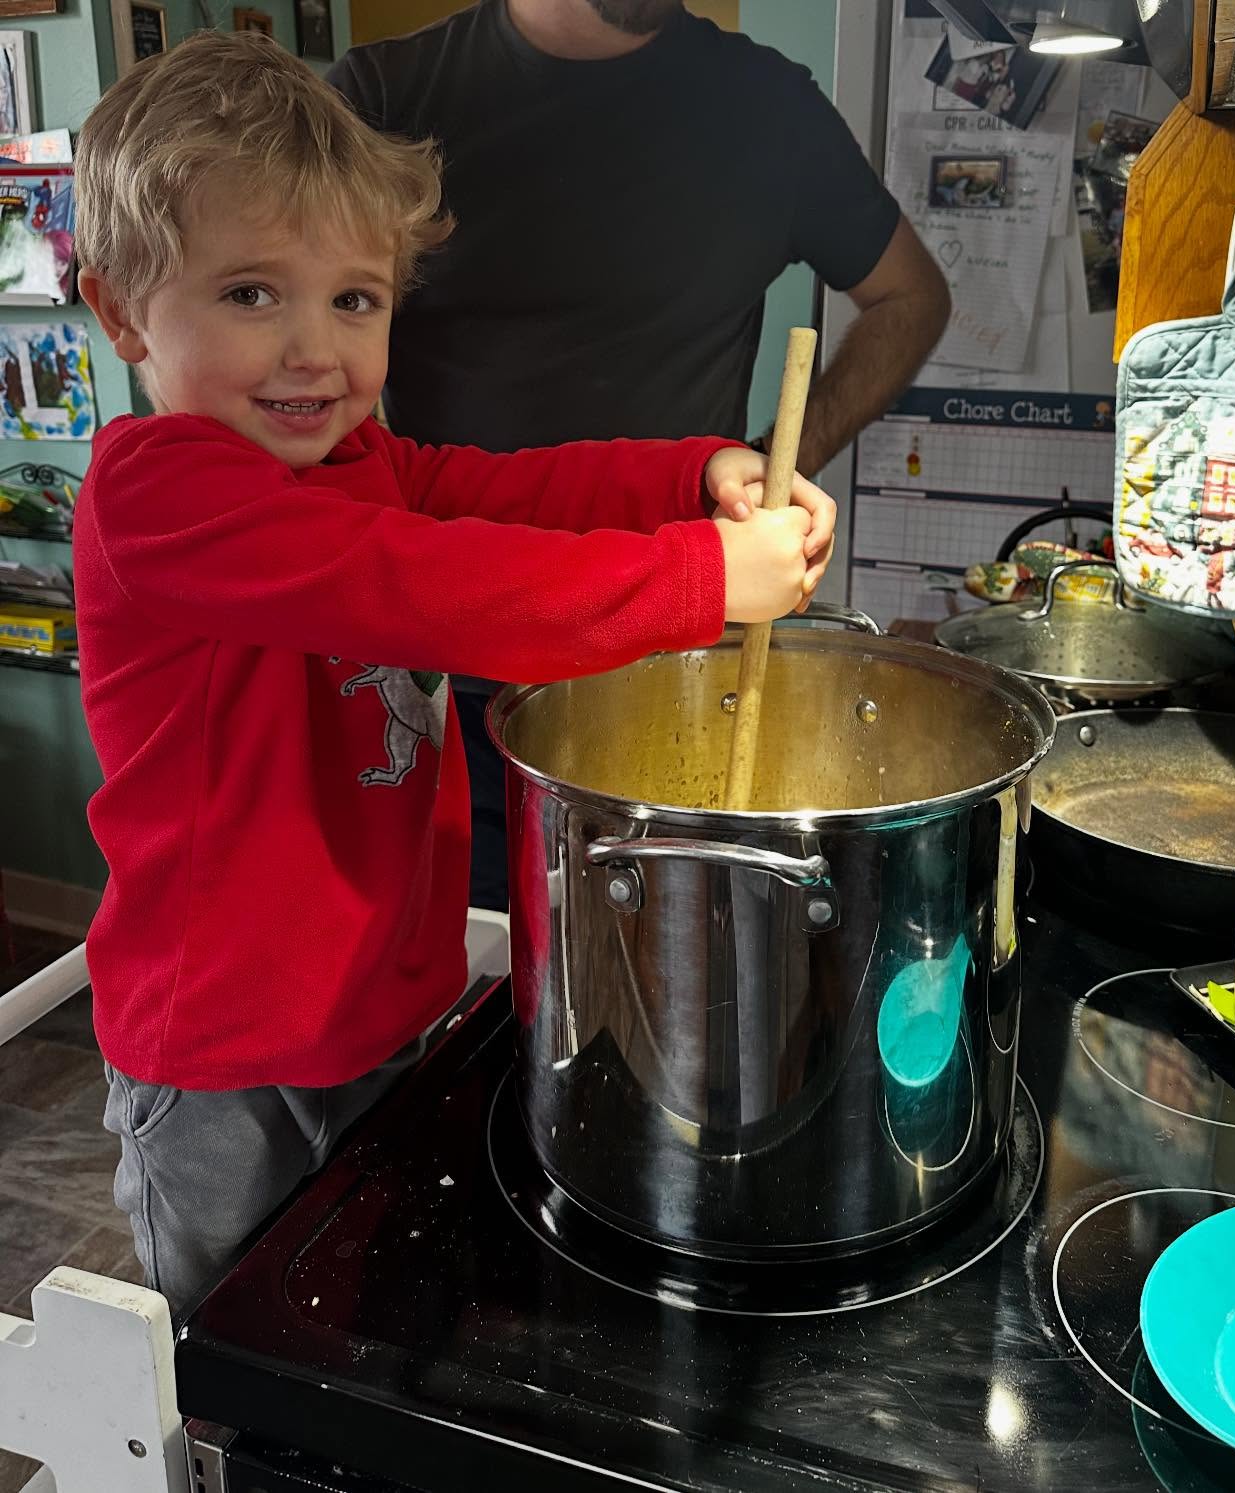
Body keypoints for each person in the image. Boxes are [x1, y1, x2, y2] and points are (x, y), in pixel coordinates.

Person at [71, 30, 835, 1314]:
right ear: (118, 306)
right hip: (226, 1060)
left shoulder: (361, 463)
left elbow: (509, 495)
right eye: (251, 293)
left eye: (353, 300)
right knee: (234, 1363)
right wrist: (703, 578)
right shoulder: (162, 492)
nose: (314, 348)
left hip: (381, 1010)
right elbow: (431, 587)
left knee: (357, 1332)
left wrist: (686, 473)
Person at [329, 0, 951, 910]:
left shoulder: (765, 106)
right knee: (475, 1002)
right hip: (438, 684)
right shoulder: (381, 98)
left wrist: (766, 465)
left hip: (676, 675)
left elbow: (910, 295)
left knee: (673, 991)